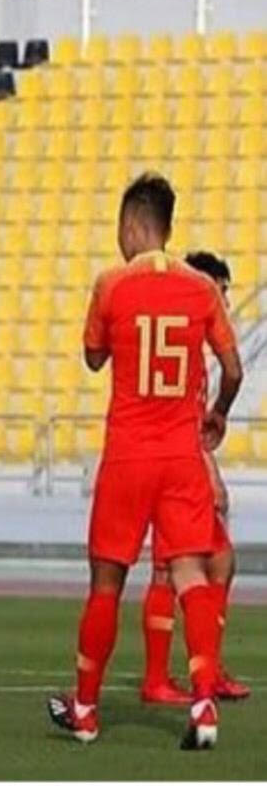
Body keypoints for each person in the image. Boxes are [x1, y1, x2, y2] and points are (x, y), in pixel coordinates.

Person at [47, 173, 243, 750]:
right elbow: (232, 370)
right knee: (190, 572)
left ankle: (84, 709)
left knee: (107, 581)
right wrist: (217, 414)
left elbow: (92, 357)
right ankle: (205, 702)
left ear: (133, 223)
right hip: (182, 455)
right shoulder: (201, 288)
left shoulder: (113, 284)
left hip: (129, 453)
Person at [139, 250, 249, 703]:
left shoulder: (192, 346)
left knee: (217, 562)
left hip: (172, 465)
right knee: (170, 569)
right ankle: (159, 678)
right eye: (217, 292)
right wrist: (212, 478)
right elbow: (182, 423)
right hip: (172, 470)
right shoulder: (186, 350)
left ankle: (203, 666)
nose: (220, 301)